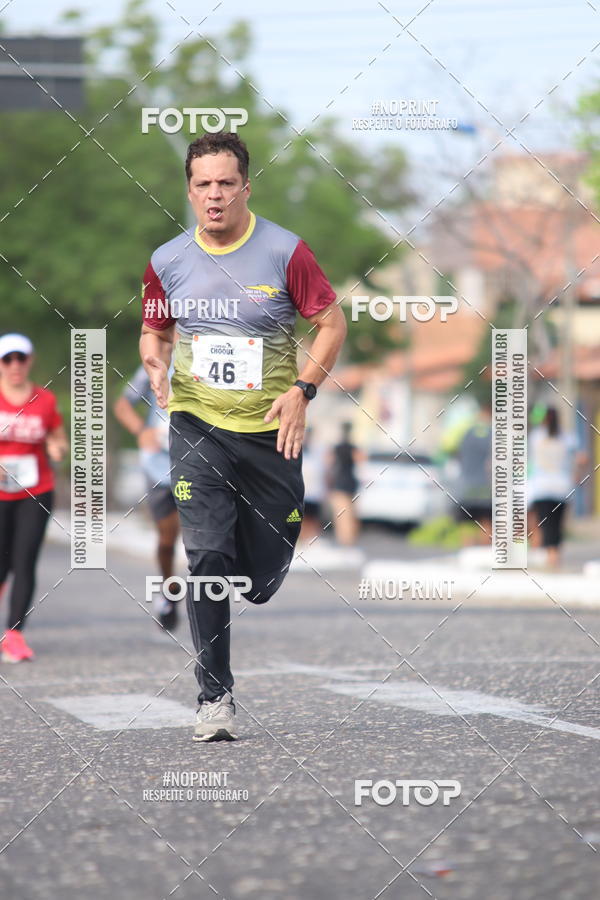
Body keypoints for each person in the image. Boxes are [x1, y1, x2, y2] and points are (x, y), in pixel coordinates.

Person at [139, 131, 346, 741]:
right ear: (189, 191)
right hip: (196, 424)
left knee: (257, 579)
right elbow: (155, 330)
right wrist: (155, 361)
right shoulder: (167, 260)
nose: (215, 195)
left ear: (246, 188)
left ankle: (257, 568)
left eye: (226, 183)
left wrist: (303, 389)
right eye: (203, 184)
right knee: (206, 556)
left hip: (269, 434)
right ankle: (214, 698)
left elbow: (331, 324)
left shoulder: (285, 252)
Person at [0, 334, 68, 662]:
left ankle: (14, 635)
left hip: (35, 489)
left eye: (21, 358)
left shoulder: (45, 400)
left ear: (30, 361)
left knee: (24, 560)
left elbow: (58, 439)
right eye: (7, 359)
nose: (15, 365)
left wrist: (58, 449)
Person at [113, 363, 180, 631]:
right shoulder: (154, 365)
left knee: (202, 540)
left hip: (200, 465)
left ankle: (207, 602)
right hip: (159, 466)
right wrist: (142, 431)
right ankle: (169, 591)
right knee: (167, 540)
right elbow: (123, 405)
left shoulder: (211, 354)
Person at [529, 406, 587, 570]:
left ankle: (549, 556)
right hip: (562, 487)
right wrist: (577, 473)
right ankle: (555, 556)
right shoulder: (568, 437)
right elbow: (582, 459)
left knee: (544, 522)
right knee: (557, 523)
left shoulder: (536, 436)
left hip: (541, 487)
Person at [455, 403, 493, 543]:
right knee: (486, 522)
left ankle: (467, 550)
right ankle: (486, 551)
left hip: (467, 485)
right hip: (485, 486)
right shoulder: (493, 434)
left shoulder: (468, 433)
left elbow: (459, 456)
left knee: (466, 524)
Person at [328, 421, 363, 546]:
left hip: (340, 484)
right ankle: (348, 541)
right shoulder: (353, 448)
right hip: (350, 484)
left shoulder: (336, 448)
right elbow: (362, 461)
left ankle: (345, 541)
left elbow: (329, 464)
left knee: (342, 516)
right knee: (350, 514)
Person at [299, 427, 327, 544]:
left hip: (315, 494)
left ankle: (311, 542)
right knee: (299, 519)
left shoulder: (318, 451)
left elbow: (324, 473)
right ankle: (302, 541)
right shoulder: (298, 451)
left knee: (313, 519)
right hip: (301, 494)